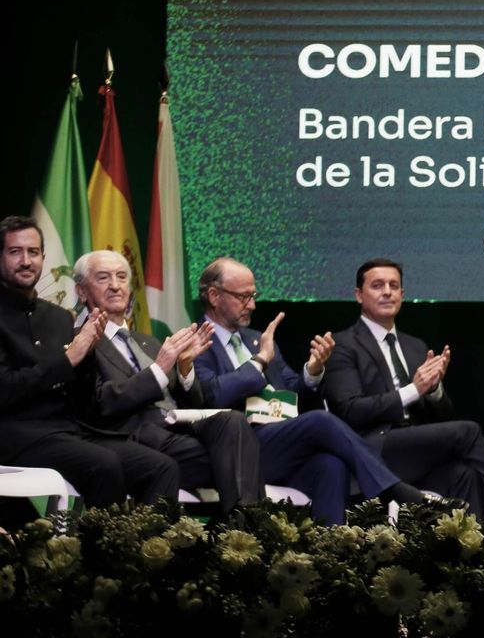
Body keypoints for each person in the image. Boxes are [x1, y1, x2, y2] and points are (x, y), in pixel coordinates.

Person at [191, 256, 425, 523]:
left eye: (253, 295)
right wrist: (259, 363)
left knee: (331, 465)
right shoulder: (196, 342)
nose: (252, 305)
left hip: (280, 441)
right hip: (239, 450)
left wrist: (313, 371)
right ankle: (393, 490)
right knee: (320, 421)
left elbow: (293, 390)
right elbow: (211, 394)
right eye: (243, 297)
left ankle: (330, 552)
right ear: (214, 295)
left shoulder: (258, 339)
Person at [0, 216, 179, 507]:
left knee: (160, 466)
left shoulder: (58, 318)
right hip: (15, 434)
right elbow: (5, 389)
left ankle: (150, 551)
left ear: (44, 257)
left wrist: (86, 357)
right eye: (15, 252)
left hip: (69, 430)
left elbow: (82, 400)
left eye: (33, 252)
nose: (26, 261)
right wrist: (68, 359)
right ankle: (102, 552)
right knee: (104, 464)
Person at [74, 248, 263, 514]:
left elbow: (195, 400)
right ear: (82, 291)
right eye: (104, 278)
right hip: (134, 435)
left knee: (233, 421)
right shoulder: (81, 342)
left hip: (177, 429)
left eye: (121, 277)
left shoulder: (148, 342)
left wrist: (184, 369)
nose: (115, 286)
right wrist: (160, 370)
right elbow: (101, 403)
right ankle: (239, 537)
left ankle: (240, 539)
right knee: (239, 462)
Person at [322, 258, 484, 519]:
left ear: (402, 294)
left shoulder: (415, 346)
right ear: (359, 295)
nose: (387, 291)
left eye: (394, 285)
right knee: (468, 432)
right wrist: (415, 388)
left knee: (464, 475)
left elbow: (441, 417)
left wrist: (433, 390)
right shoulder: (343, 345)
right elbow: (350, 410)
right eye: (377, 285)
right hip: (371, 449)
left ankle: (474, 553)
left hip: (414, 448)